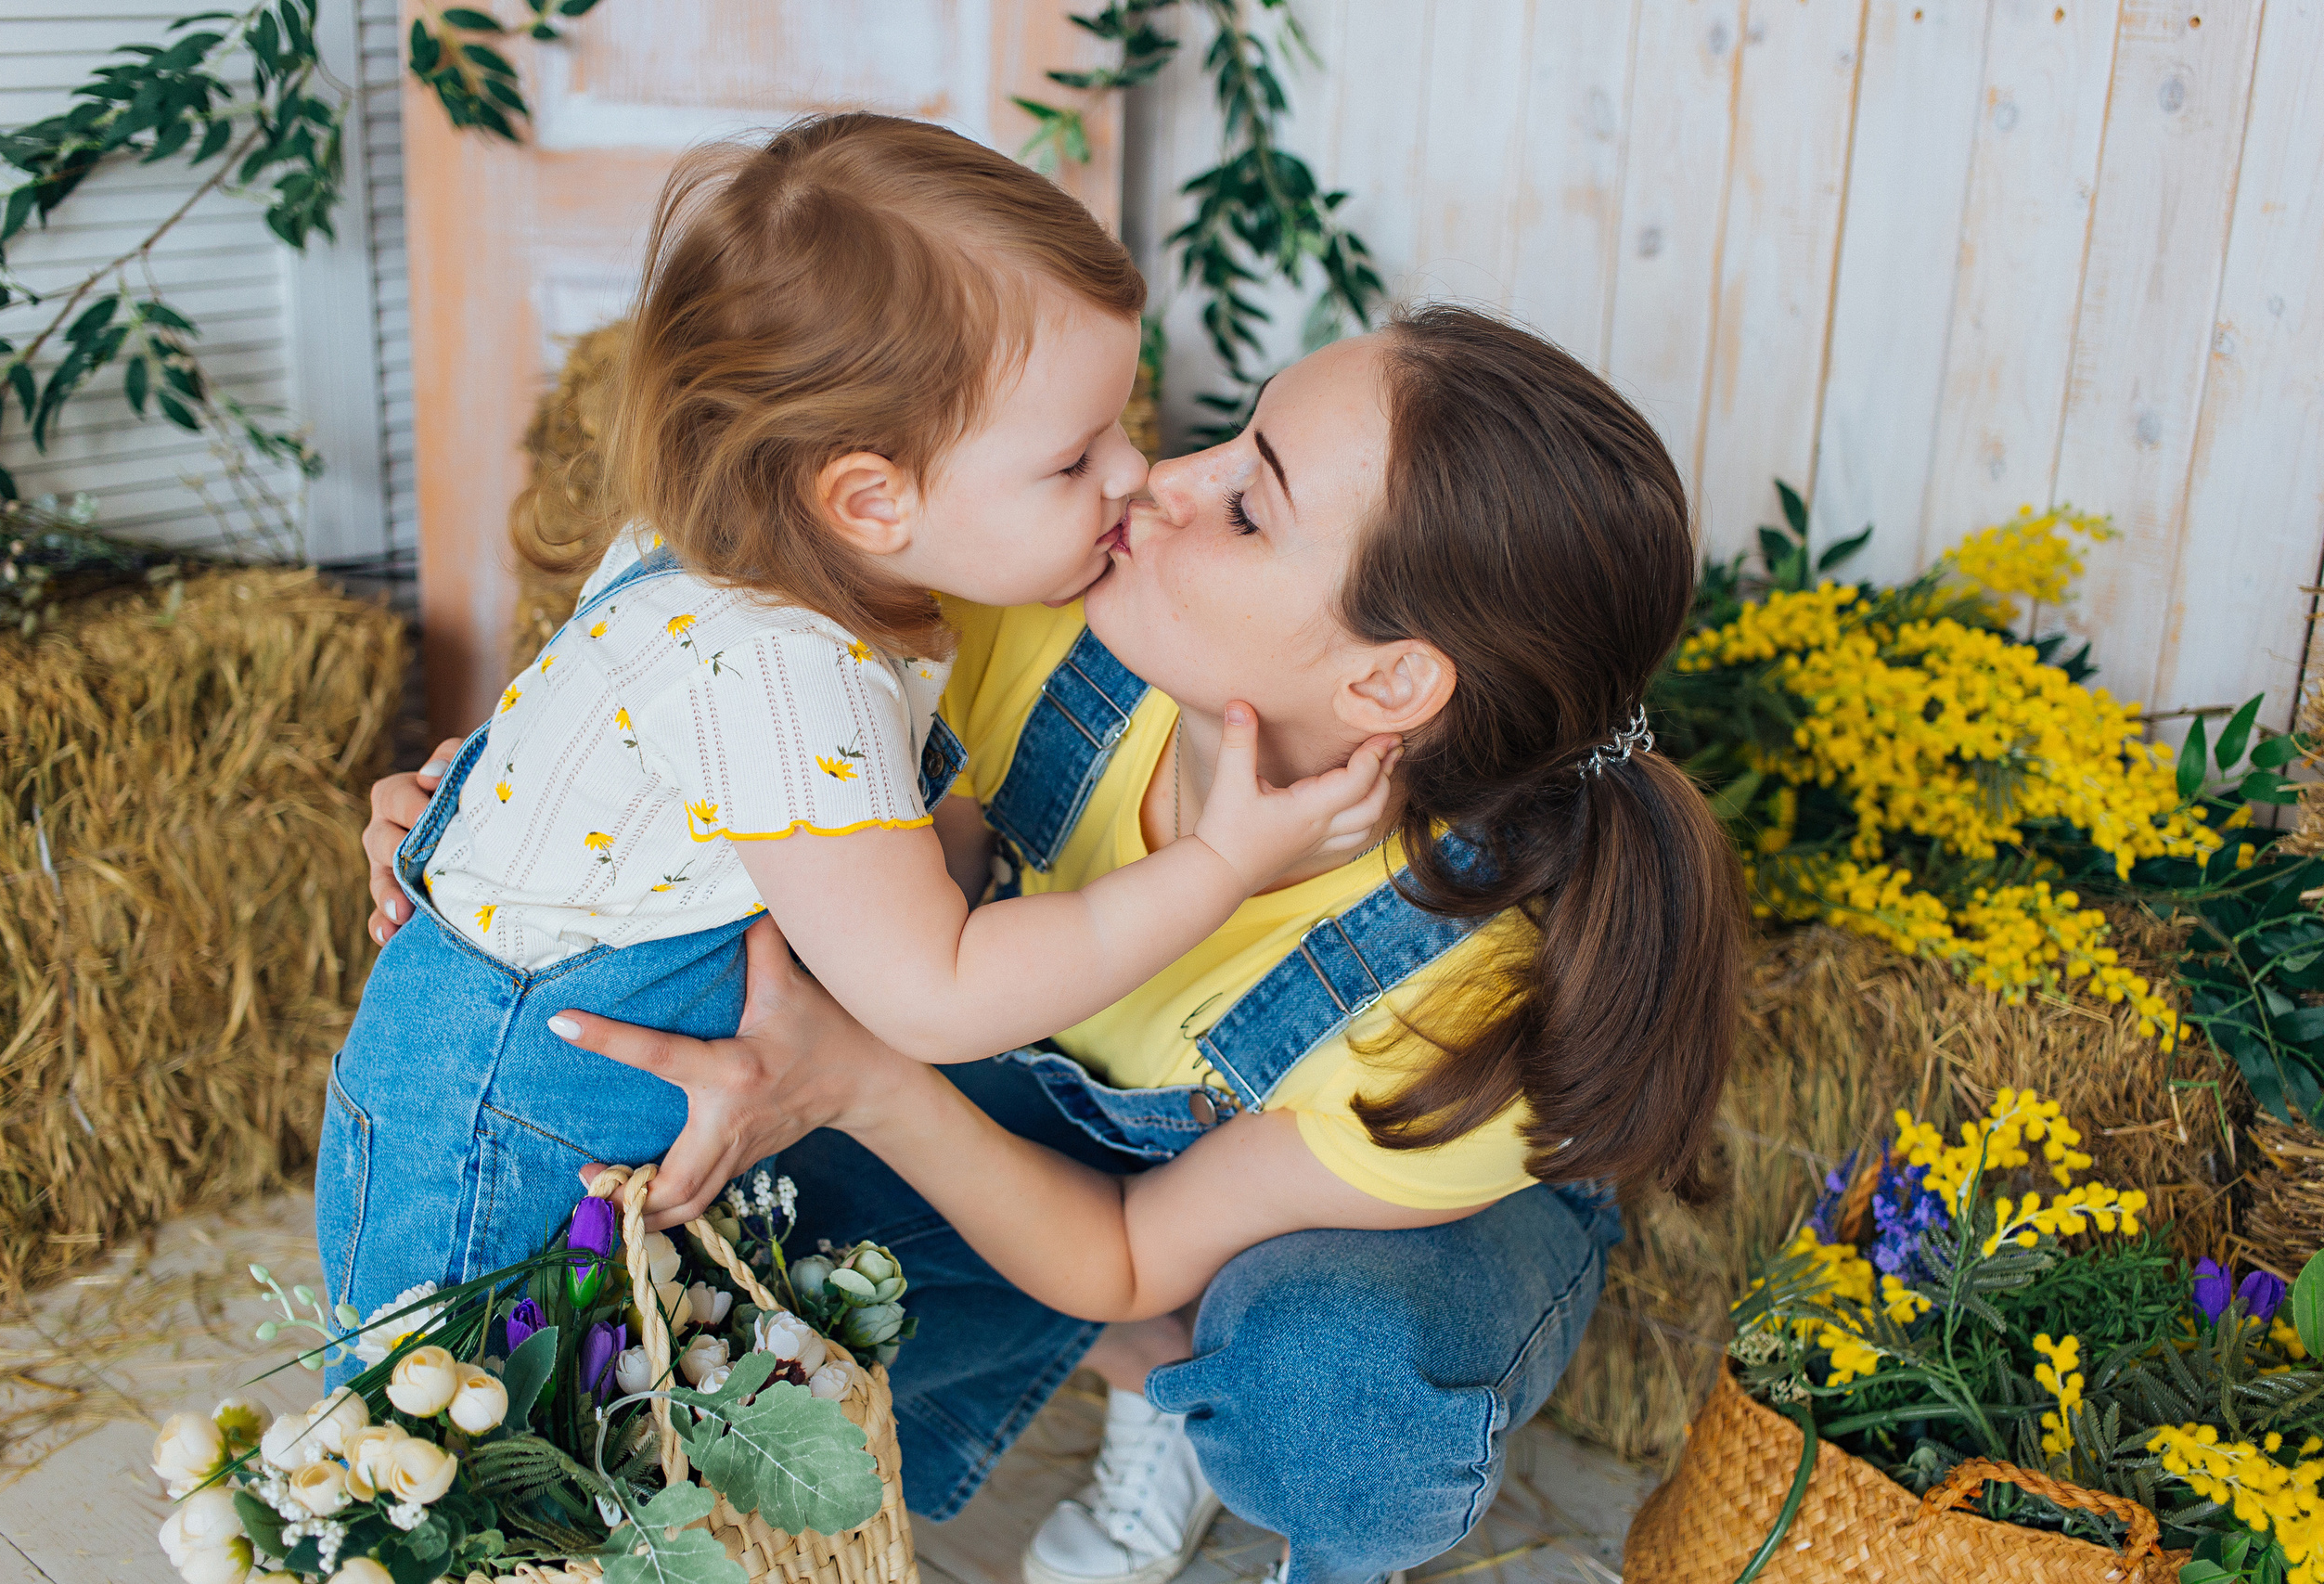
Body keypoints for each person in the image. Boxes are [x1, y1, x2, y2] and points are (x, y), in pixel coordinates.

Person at [362, 306, 1747, 1584]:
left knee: (1338, 1387)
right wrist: (509, 827)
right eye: (1231, 436)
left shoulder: (1471, 1001)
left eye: (1248, 504)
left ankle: (1250, 1421)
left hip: (1364, 1229)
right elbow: (713, 708)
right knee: (697, 1260)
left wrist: (867, 1084)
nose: (1162, 479)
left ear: (1389, 680)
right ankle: (1145, 1364)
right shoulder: (1019, 612)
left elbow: (1132, 1245)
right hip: (1074, 1146)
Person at [321, 113, 1394, 1339]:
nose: (1133, 473)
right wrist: (1220, 864)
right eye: (1071, 459)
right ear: (873, 500)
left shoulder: (735, 565)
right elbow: (939, 996)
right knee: (466, 1424)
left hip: (522, 1091)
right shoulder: (785, 674)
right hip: (501, 1131)